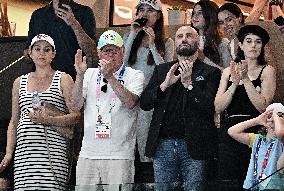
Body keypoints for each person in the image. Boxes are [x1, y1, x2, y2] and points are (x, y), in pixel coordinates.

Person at [140, 26, 221, 191]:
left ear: (197, 42)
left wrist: (190, 85)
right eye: (179, 36)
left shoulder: (210, 72)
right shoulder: (162, 70)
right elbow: (144, 103)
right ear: (175, 42)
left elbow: (210, 107)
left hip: (195, 147)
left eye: (189, 35)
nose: (184, 39)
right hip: (163, 146)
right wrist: (163, 85)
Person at [0, 34, 80, 190]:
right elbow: (14, 121)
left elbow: (76, 116)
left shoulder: (64, 79)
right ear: (30, 52)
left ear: (53, 54)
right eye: (37, 49)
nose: (41, 53)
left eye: (46, 49)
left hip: (53, 155)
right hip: (24, 156)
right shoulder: (19, 82)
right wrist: (9, 153)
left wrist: (48, 120)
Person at [72, 30, 145, 191]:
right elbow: (75, 105)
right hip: (88, 153)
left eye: (115, 50)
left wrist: (110, 77)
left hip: (119, 155)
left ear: (123, 51)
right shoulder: (89, 74)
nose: (110, 55)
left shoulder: (135, 75)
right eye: (106, 51)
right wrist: (79, 75)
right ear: (99, 54)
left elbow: (131, 102)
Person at [215, 25, 276, 189]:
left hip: (256, 130)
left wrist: (246, 80)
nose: (253, 45)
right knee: (228, 181)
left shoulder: (267, 70)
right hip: (229, 130)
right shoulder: (228, 71)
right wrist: (234, 84)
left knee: (254, 181)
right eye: (248, 41)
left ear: (262, 46)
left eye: (258, 42)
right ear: (240, 45)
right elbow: (218, 107)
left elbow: (263, 106)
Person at [123, 0, 174, 166]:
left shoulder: (167, 42)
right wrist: (132, 34)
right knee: (125, 142)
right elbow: (121, 64)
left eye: (150, 11)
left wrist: (152, 46)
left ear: (158, 16)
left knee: (146, 144)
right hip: (129, 96)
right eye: (141, 10)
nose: (144, 14)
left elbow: (166, 71)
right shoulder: (128, 37)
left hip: (150, 99)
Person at [28, 0, 96, 80]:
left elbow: (91, 50)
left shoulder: (85, 12)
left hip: (74, 77)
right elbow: (29, 50)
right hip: (44, 79)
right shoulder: (38, 15)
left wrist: (73, 23)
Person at [228, 103, 284, 190]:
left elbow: (280, 133)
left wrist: (276, 117)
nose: (273, 118)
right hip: (254, 185)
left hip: (274, 187)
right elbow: (232, 131)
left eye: (280, 116)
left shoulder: (281, 141)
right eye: (269, 115)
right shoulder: (258, 139)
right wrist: (257, 120)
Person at [191, 0, 230, 70]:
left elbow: (228, 73)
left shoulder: (223, 43)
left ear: (210, 15)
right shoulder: (189, 40)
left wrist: (204, 59)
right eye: (194, 13)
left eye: (200, 13)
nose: (195, 16)